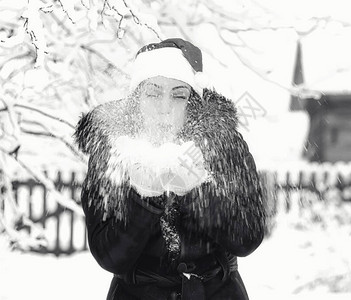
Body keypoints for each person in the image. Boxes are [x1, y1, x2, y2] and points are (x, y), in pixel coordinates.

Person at [74, 38, 266, 300]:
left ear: (192, 105)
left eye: (178, 95)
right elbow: (109, 257)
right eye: (153, 93)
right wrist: (143, 198)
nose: (164, 108)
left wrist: (196, 193)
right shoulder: (113, 150)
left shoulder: (223, 144)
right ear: (136, 99)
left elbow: (247, 239)